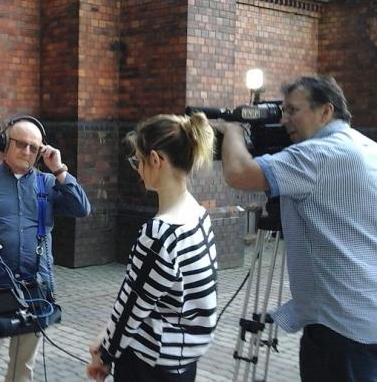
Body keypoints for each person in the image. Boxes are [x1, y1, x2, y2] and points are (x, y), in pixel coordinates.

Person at [211, 76, 377, 382]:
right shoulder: (366, 147)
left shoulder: (318, 154)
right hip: (367, 315)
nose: (284, 119)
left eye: (292, 110)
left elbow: (239, 173)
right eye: (282, 110)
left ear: (325, 111)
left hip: (339, 327)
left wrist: (232, 130)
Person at [0, 115, 91, 382]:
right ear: (5, 142)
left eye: (33, 147)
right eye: (21, 144)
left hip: (36, 289)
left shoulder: (47, 183)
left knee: (23, 368)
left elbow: (81, 208)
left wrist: (59, 169)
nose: (27, 151)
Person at [87, 112, 218, 382]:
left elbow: (131, 306)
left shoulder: (159, 234)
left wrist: (106, 354)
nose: (137, 168)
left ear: (156, 160)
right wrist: (107, 338)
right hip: (182, 362)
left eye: (138, 160)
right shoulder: (198, 215)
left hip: (149, 365)